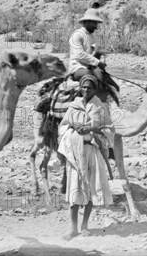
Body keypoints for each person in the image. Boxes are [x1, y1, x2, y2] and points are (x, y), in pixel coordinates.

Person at [58, 73, 114, 239]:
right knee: (74, 188)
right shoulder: (73, 106)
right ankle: (73, 228)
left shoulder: (100, 107)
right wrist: (73, 127)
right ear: (80, 88)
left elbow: (109, 130)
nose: (86, 90)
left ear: (94, 89)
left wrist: (92, 129)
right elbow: (62, 128)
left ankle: (85, 226)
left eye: (89, 87)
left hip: (92, 152)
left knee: (90, 189)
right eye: (83, 87)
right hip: (75, 153)